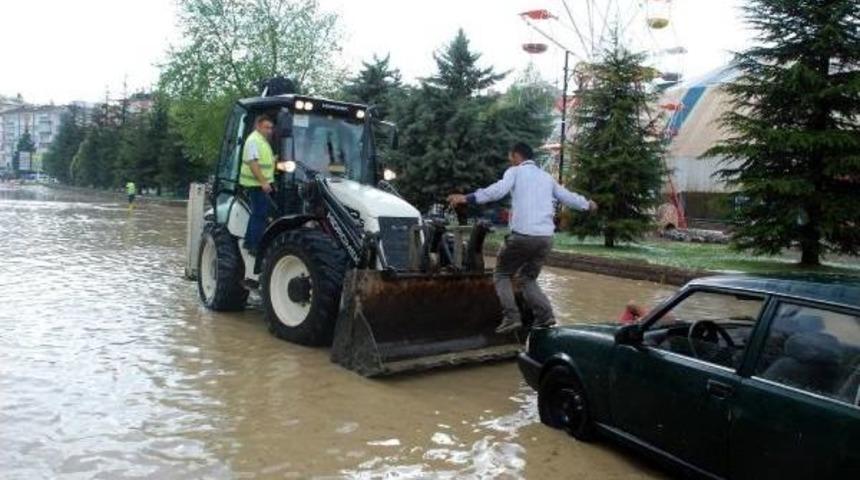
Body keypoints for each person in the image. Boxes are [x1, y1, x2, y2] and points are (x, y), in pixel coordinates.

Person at [448, 142, 598, 333]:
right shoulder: (546, 177)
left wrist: (466, 198)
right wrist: (587, 204)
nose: (509, 160)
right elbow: (567, 196)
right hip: (545, 239)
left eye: (510, 156)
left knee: (502, 274)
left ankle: (511, 317)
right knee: (528, 278)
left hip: (523, 236)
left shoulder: (515, 172)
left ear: (516, 156)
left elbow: (497, 191)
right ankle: (545, 316)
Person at [240, 115, 276, 255]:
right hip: (256, 184)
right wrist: (263, 182)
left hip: (259, 183)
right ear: (258, 126)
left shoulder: (261, 140)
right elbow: (253, 163)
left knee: (257, 214)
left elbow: (263, 161)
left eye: (271, 128)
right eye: (266, 127)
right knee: (260, 215)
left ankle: (249, 242)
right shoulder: (253, 140)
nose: (269, 131)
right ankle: (255, 247)